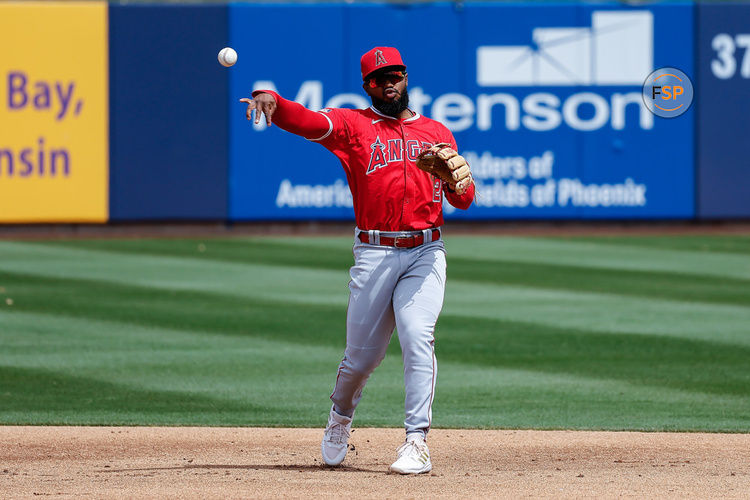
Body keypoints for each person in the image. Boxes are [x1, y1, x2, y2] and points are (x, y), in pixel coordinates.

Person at [240, 46, 475, 475]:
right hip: (375, 252)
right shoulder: (354, 126)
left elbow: (464, 199)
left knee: (417, 335)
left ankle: (416, 441)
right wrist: (272, 100)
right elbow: (309, 120)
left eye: (396, 75)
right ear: (367, 86)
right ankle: (340, 419)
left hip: (426, 250)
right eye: (379, 78)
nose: (389, 83)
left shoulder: (437, 131)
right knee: (360, 360)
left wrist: (455, 181)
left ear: (406, 78)